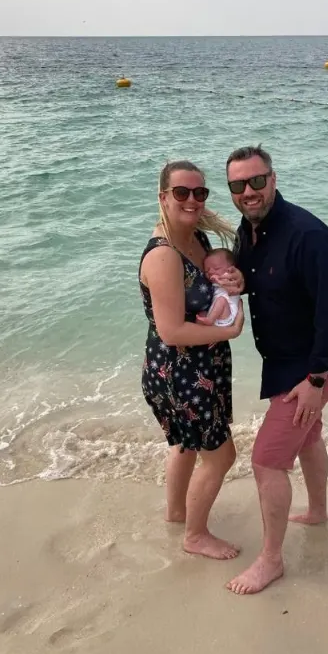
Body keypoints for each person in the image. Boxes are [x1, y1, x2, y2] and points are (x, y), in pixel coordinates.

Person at [224, 145, 328, 594]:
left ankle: (271, 560)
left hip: (313, 362)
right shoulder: (248, 230)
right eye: (238, 185)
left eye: (257, 181)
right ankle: (317, 511)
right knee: (308, 436)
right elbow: (254, 277)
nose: (248, 192)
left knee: (266, 460)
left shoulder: (309, 234)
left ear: (273, 180)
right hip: (281, 359)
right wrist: (237, 279)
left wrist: (316, 381)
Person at [138, 160, 245, 560]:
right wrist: (229, 332)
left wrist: (236, 283)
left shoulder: (196, 238)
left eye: (199, 192)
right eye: (181, 192)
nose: (192, 200)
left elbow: (216, 284)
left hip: (198, 367)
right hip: (180, 373)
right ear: (163, 197)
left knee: (185, 444)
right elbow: (172, 331)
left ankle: (177, 513)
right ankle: (195, 536)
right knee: (221, 456)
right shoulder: (164, 255)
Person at [197, 248, 241, 327]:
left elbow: (232, 290)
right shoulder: (214, 282)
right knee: (201, 314)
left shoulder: (231, 279)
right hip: (217, 314)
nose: (210, 272)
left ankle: (210, 320)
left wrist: (218, 280)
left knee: (221, 300)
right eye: (207, 270)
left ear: (231, 269)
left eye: (216, 268)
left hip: (228, 315)